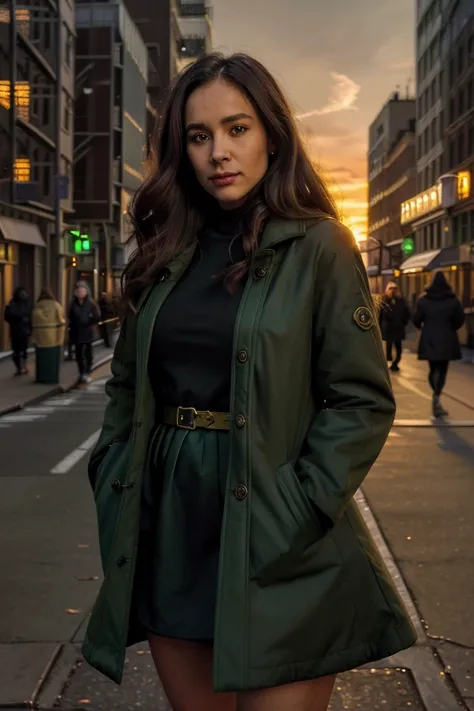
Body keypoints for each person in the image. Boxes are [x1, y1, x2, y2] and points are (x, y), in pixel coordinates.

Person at [83, 53, 416, 711]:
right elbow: (126, 388)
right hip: (173, 531)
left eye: (237, 129)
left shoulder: (320, 246)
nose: (218, 152)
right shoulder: (163, 251)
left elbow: (361, 398)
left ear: (271, 132)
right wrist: (114, 473)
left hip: (277, 533)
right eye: (199, 136)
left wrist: (299, 506)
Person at [413, 271, 464, 419]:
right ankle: (436, 396)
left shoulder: (423, 300)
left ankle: (435, 395)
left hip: (429, 338)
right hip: (447, 338)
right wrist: (450, 328)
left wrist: (424, 327)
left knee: (432, 368)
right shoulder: (453, 300)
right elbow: (459, 319)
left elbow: (416, 319)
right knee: (443, 369)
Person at [32, 287, 66, 384]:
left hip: (39, 337)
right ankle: (51, 378)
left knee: (41, 359)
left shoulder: (37, 306)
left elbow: (33, 324)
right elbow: (61, 321)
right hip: (53, 337)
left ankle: (41, 378)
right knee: (52, 359)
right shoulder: (56, 305)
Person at [68, 281, 100, 385]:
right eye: (79, 291)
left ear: (86, 292)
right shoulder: (73, 304)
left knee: (87, 353)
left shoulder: (91, 303)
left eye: (83, 290)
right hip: (76, 332)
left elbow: (97, 316)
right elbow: (70, 316)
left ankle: (87, 370)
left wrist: (89, 322)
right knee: (78, 353)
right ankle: (82, 371)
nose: (81, 292)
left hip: (87, 332)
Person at [379, 281, 411, 372]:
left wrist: (403, 322)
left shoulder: (401, 301)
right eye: (390, 289)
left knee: (398, 346)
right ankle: (390, 361)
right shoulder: (384, 301)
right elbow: (380, 315)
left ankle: (395, 362)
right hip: (389, 327)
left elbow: (407, 313)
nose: (392, 291)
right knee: (389, 346)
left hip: (397, 327)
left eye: (394, 289)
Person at [4, 286, 32, 376]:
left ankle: (22, 367)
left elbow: (31, 316)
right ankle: (19, 367)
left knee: (23, 350)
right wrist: (19, 319)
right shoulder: (12, 304)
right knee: (17, 351)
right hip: (17, 331)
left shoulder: (27, 304)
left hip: (23, 331)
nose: (23, 295)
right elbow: (7, 316)